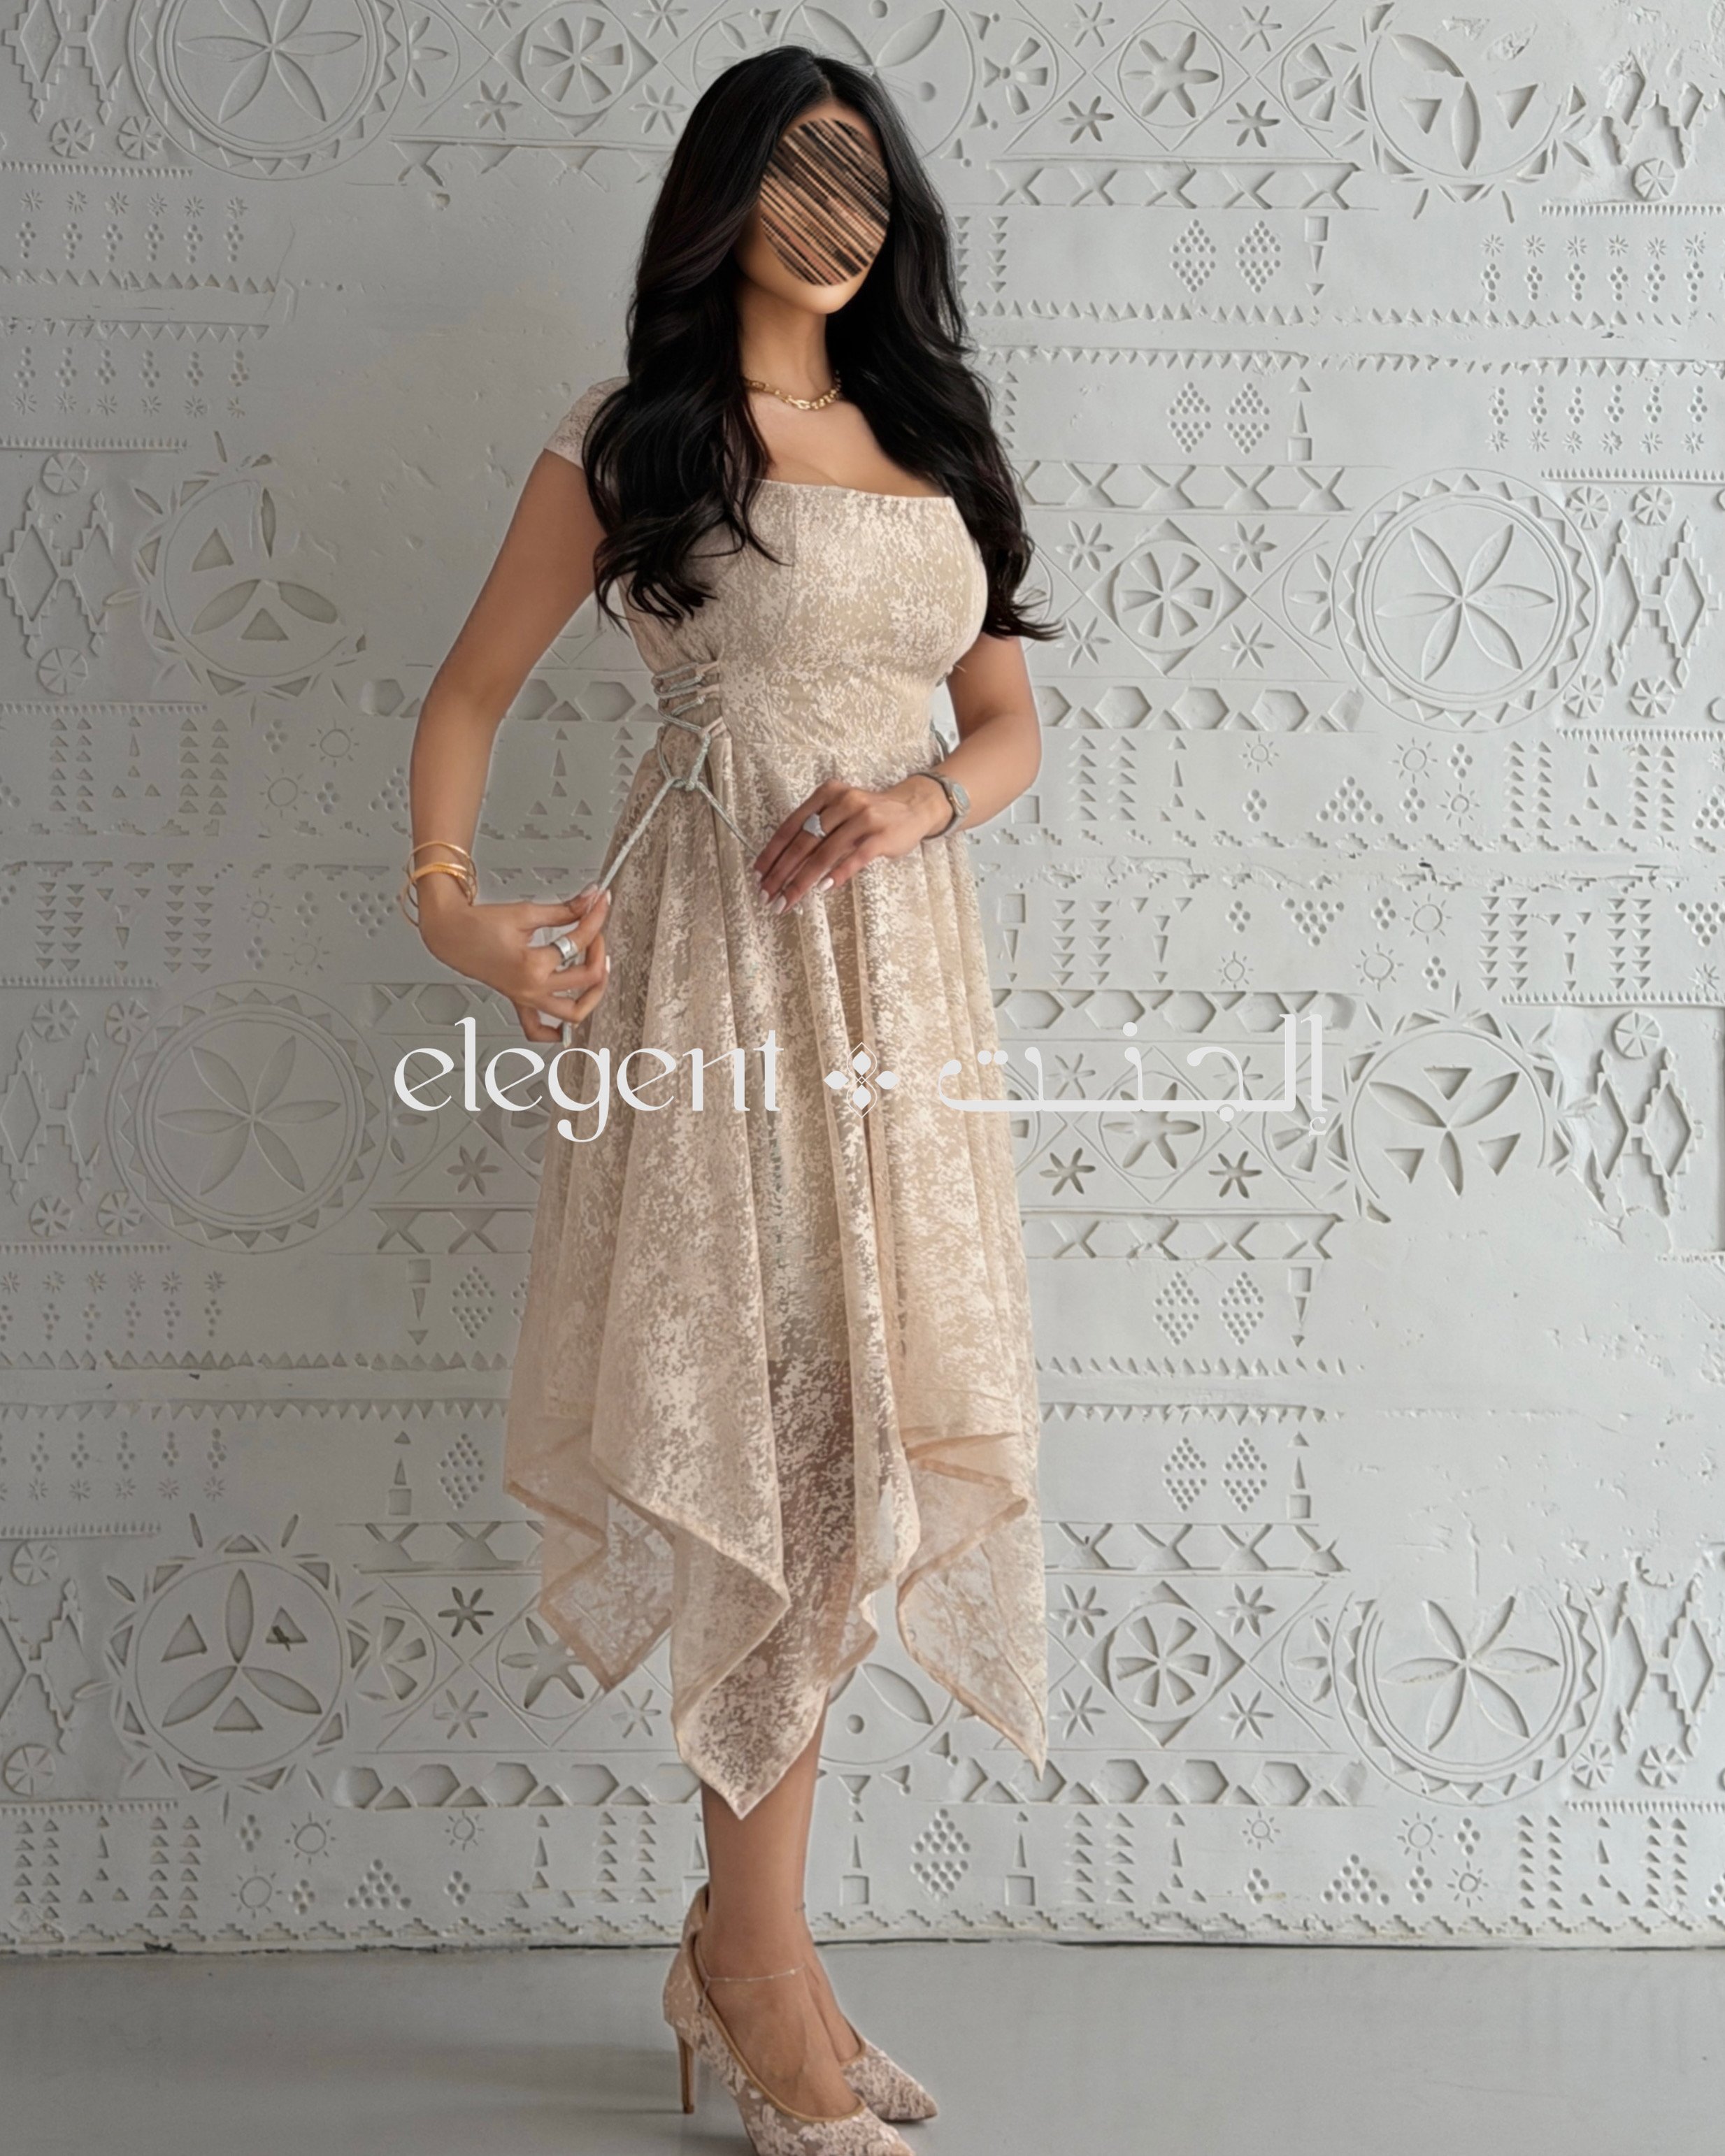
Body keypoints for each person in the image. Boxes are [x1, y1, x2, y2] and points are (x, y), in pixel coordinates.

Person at [403, 45, 1057, 2154]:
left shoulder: (935, 437)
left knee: (854, 1431)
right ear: (722, 193)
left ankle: (741, 1948)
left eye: (865, 175)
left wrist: (920, 804)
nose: (835, 212)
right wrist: (461, 915)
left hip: (899, 993)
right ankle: (760, 1976)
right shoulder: (642, 440)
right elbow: (468, 692)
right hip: (717, 971)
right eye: (795, 170)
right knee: (772, 1434)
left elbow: (1006, 717)